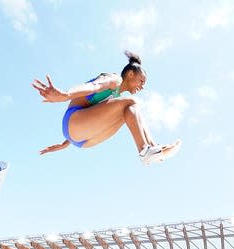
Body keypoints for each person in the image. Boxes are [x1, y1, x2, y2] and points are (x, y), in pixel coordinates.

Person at [32, 50, 181, 165]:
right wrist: (65, 95)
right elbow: (93, 86)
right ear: (130, 74)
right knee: (131, 102)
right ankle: (146, 151)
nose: (142, 86)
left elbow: (95, 116)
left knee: (129, 112)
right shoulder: (115, 79)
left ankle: (155, 151)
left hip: (82, 140)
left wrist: (65, 143)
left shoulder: (116, 102)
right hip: (73, 120)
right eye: (141, 81)